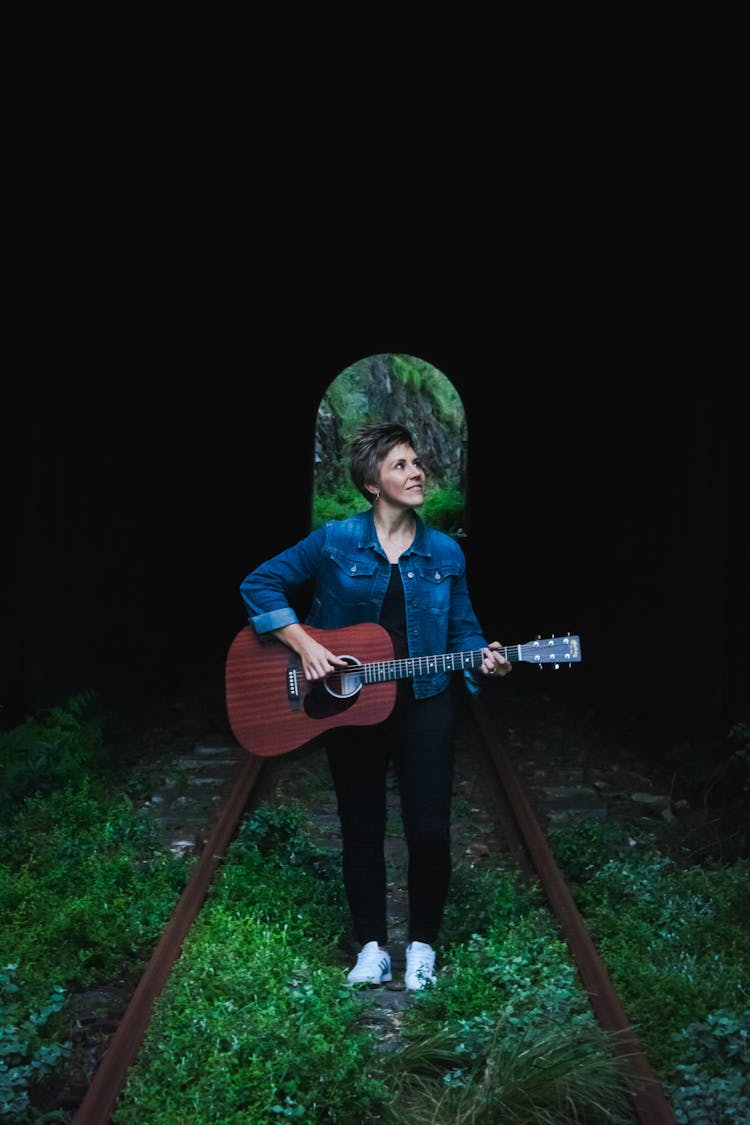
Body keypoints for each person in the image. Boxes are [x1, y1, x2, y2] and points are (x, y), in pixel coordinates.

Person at [239, 422, 511, 990]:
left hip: (426, 705)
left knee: (430, 831)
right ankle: (369, 948)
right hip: (352, 708)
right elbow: (259, 584)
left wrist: (484, 659)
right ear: (371, 483)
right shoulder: (334, 541)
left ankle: (421, 947)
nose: (417, 473)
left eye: (416, 463)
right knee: (361, 828)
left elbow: (464, 633)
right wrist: (307, 646)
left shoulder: (446, 552)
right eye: (402, 465)